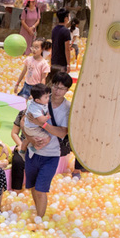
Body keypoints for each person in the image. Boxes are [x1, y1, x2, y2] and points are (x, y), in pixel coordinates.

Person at [24, 71, 73, 218]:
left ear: (67, 90)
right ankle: (38, 210)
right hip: (32, 152)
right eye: (55, 86)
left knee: (41, 189)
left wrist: (42, 124)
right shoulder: (41, 99)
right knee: (32, 186)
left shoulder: (67, 108)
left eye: (61, 88)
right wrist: (29, 139)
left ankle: (40, 218)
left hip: (51, 154)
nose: (57, 91)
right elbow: (24, 121)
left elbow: (62, 132)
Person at [19, 84, 52, 152]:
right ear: (37, 100)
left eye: (48, 96)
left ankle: (22, 149)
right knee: (48, 138)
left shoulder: (37, 103)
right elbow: (42, 120)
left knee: (27, 139)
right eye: (46, 97)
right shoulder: (35, 108)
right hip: (32, 129)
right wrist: (47, 116)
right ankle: (35, 148)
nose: (48, 98)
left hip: (28, 126)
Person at [47, 9, 72, 84]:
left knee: (53, 79)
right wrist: (68, 64)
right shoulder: (66, 31)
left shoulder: (54, 29)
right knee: (60, 81)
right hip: (62, 61)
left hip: (54, 59)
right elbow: (67, 49)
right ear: (66, 18)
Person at [10, 110, 28, 190]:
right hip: (22, 144)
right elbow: (14, 133)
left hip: (37, 147)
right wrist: (21, 145)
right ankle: (16, 190)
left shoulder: (44, 115)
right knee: (17, 161)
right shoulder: (22, 113)